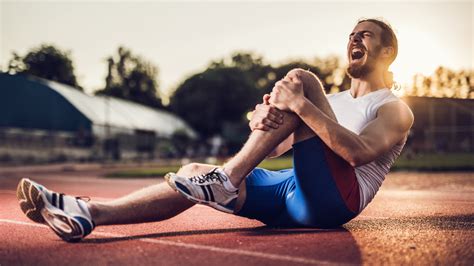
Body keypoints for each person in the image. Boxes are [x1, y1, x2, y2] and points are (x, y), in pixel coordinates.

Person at [17, 18, 413, 242]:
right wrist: (265, 121)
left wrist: (300, 102)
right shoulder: (335, 103)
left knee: (301, 79)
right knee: (193, 173)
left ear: (386, 51)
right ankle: (89, 213)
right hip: (292, 189)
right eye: (351, 35)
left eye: (364, 35)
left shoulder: (394, 109)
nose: (353, 39)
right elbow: (278, 149)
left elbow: (358, 152)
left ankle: (224, 178)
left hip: (336, 201)